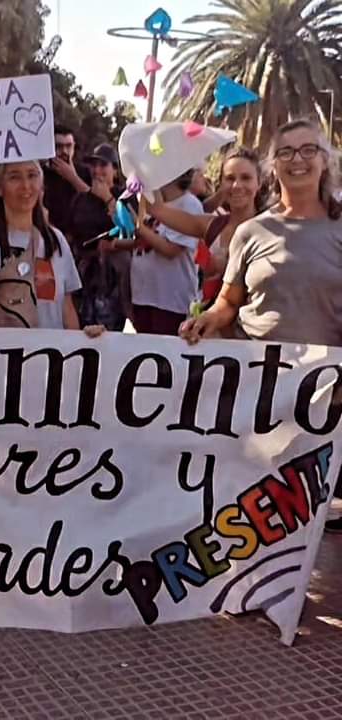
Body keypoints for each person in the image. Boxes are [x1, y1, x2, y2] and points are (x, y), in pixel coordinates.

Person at [178, 120, 342, 533]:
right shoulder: (251, 232)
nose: (297, 160)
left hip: (326, 396)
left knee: (305, 512)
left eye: (308, 150)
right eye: (286, 152)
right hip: (259, 390)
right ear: (274, 166)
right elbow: (229, 302)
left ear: (325, 161)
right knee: (252, 505)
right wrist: (207, 321)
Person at [0, 160, 102, 335]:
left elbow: (66, 308)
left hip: (50, 356)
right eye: (14, 177)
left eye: (32, 175)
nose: (26, 186)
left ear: (41, 183)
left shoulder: (55, 240)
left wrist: (78, 346)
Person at [148, 148, 264, 310]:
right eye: (230, 178)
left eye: (246, 178)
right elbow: (157, 210)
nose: (237, 185)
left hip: (255, 328)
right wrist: (147, 168)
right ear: (221, 184)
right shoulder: (212, 226)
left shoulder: (273, 229)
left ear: (259, 182)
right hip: (212, 328)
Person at [130, 169, 205, 335]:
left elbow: (171, 250)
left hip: (170, 301)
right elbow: (143, 242)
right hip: (144, 296)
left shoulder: (189, 204)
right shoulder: (151, 203)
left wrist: (140, 227)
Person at [68, 143, 131, 331]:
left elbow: (132, 231)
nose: (97, 171)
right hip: (83, 274)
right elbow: (71, 234)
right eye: (93, 165)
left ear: (115, 170)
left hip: (113, 276)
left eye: (103, 165)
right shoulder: (80, 199)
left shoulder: (125, 197)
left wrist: (108, 199)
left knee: (108, 329)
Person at [43, 125, 91, 235]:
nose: (64, 151)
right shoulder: (40, 174)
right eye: (59, 146)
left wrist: (73, 178)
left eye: (68, 146)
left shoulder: (85, 172)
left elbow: (96, 204)